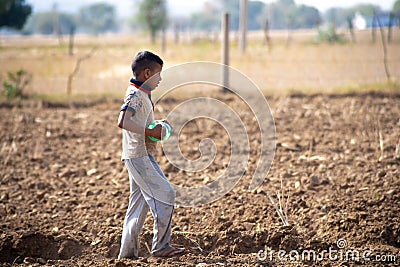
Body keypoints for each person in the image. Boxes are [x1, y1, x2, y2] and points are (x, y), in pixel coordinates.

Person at [117, 51, 184, 259]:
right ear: (147, 73)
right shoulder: (135, 95)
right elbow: (123, 121)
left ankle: (126, 255)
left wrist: (154, 126)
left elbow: (135, 120)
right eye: (158, 74)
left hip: (138, 155)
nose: (160, 79)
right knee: (166, 194)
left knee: (138, 205)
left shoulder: (140, 92)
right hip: (138, 156)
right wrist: (150, 132)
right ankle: (161, 246)